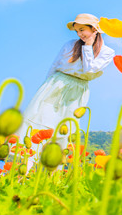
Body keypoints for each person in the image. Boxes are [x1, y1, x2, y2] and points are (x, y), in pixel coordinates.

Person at [17, 14, 114, 156]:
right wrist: (45, 87)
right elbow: (55, 66)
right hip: (57, 84)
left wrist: (87, 46)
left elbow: (89, 70)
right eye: (77, 31)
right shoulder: (70, 44)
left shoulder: (107, 52)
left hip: (79, 89)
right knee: (41, 120)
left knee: (65, 128)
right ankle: (28, 162)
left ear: (94, 29)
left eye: (82, 30)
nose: (80, 34)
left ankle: (53, 168)